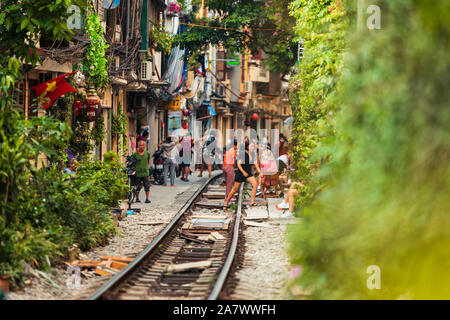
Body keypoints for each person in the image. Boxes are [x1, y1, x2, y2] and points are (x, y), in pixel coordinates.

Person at [223, 140, 260, 209]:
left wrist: (257, 171)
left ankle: (252, 201)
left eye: (253, 146)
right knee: (235, 189)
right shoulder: (242, 154)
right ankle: (226, 202)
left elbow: (254, 164)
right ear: (247, 146)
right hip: (240, 173)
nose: (253, 147)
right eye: (251, 146)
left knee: (255, 184)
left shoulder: (253, 154)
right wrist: (243, 172)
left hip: (248, 173)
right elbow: (239, 164)